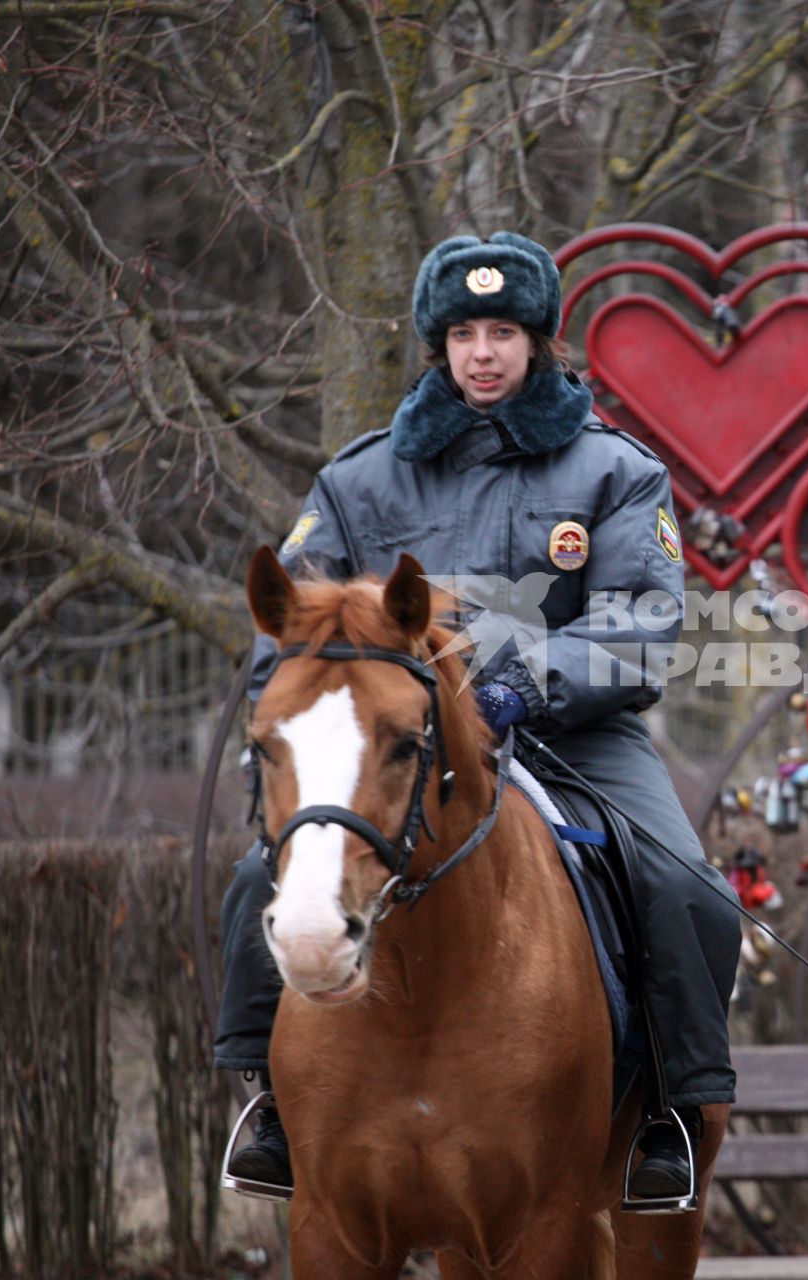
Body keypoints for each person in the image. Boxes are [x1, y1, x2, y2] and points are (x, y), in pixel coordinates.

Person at [216, 231, 740, 1208]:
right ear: (439, 345)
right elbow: (287, 632)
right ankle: (272, 1105)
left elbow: (641, 618)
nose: (483, 352)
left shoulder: (614, 471)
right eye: (464, 332)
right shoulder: (359, 480)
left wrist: (521, 684)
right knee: (263, 868)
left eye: (503, 330)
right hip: (393, 748)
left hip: (576, 736)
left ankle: (672, 1107)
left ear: (539, 341)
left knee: (683, 883)